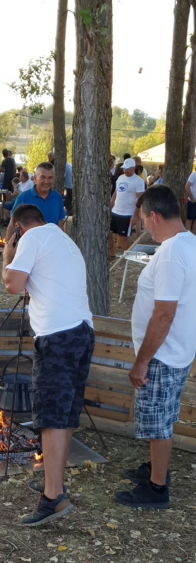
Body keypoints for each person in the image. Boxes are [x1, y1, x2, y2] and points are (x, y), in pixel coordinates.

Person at [2, 204, 94, 526]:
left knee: (52, 417)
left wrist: (7, 255)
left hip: (56, 336)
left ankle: (53, 499)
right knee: (64, 416)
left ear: (18, 228)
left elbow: (12, 285)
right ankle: (55, 483)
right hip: (82, 331)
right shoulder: (63, 240)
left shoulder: (32, 238)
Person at [115, 186, 196, 510]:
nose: (143, 226)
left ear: (154, 216)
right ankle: (155, 467)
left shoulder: (171, 253)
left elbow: (164, 314)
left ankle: (157, 487)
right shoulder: (189, 243)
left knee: (159, 421)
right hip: (177, 349)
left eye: (143, 219)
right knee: (164, 414)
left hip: (163, 353)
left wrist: (142, 361)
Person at [6, 162, 65, 242]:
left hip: (51, 245)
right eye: (42, 177)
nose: (46, 181)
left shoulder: (57, 198)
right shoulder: (23, 198)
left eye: (50, 178)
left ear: (53, 179)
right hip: (28, 245)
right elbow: (12, 225)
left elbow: (60, 225)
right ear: (35, 178)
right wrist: (8, 246)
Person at [109, 157, 145, 259]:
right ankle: (112, 254)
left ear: (133, 168)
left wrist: (135, 215)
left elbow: (140, 199)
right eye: (124, 168)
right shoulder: (120, 178)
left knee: (125, 237)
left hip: (128, 213)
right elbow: (116, 193)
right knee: (109, 233)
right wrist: (111, 205)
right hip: (115, 211)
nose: (125, 170)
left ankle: (124, 258)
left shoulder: (138, 181)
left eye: (128, 169)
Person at [185, 168, 196, 234]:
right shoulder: (194, 174)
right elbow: (187, 186)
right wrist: (192, 198)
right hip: (193, 202)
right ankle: (187, 236)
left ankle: (194, 237)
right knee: (190, 220)